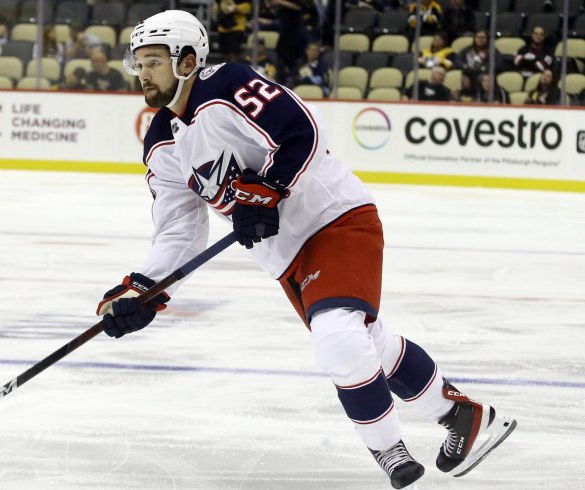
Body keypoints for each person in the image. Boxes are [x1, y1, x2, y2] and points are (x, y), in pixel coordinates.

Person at [102, 10, 517, 489]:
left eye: (154, 60)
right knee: (368, 342)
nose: (143, 72)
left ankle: (389, 451)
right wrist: (143, 288)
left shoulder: (228, 86)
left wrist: (269, 188)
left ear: (188, 59)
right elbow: (179, 228)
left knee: (338, 337)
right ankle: (463, 418)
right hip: (286, 257)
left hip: (335, 219)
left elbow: (300, 129)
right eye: (139, 63)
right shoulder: (160, 141)